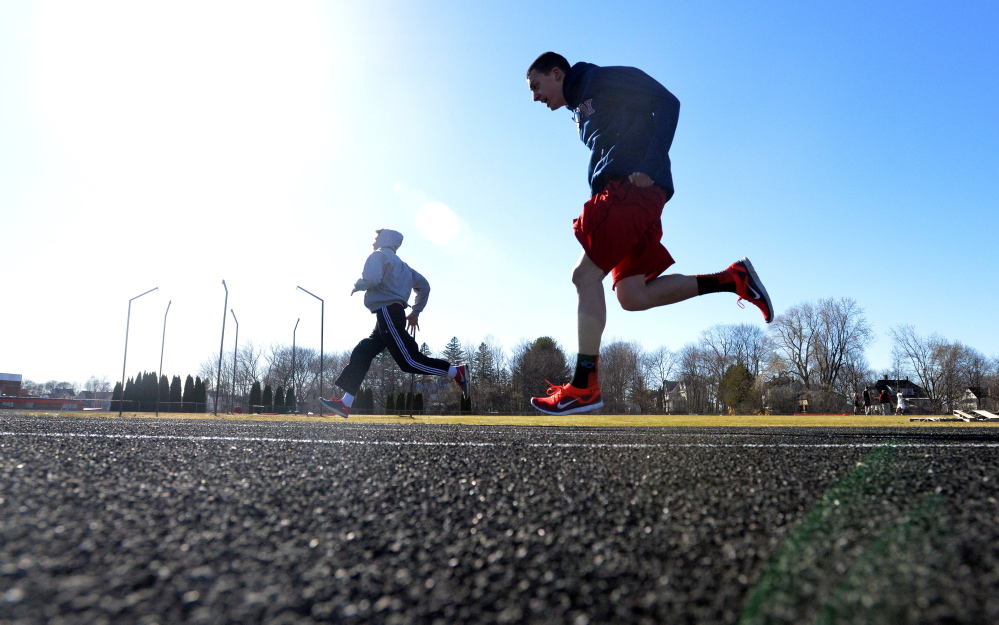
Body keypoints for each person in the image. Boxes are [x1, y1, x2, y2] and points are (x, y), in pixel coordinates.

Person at [525, 52, 774, 415]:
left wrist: (648, 164)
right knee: (632, 295)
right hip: (625, 195)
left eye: (536, 86)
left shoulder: (600, 80)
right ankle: (732, 280)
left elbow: (667, 102)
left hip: (632, 190)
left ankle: (583, 387)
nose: (535, 96)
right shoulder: (579, 107)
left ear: (556, 73)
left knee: (584, 277)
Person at [319, 229, 469, 418]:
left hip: (388, 312)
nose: (373, 241)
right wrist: (415, 312)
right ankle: (345, 403)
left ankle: (457, 372)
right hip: (388, 314)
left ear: (384, 239)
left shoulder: (378, 255)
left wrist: (358, 285)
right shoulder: (404, 266)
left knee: (409, 361)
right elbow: (425, 286)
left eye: (376, 237)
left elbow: (372, 279)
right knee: (363, 351)